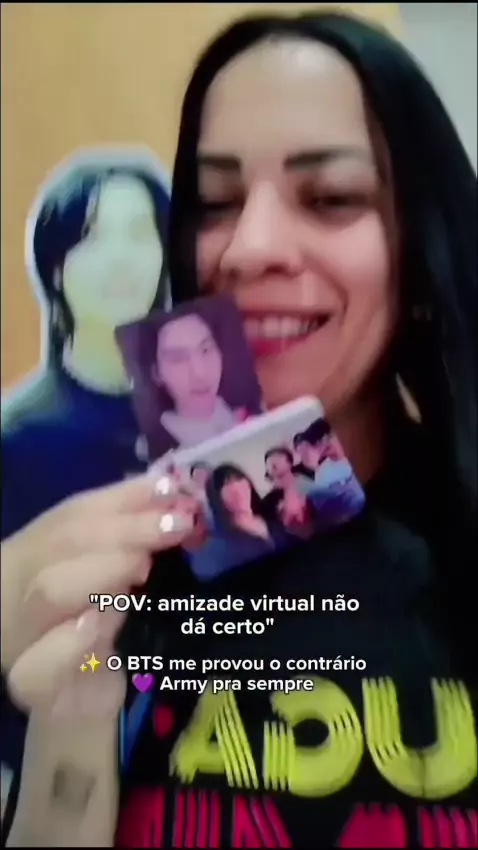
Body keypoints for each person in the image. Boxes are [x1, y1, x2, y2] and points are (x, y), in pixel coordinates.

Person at [2, 9, 477, 848]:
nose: (247, 248)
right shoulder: (122, 556)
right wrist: (71, 717)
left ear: (422, 243)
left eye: (329, 198)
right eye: (216, 202)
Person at [0, 156, 169, 796]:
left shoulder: (212, 415)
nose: (120, 259)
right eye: (93, 237)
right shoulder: (16, 439)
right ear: (55, 267)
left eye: (140, 233)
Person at [153, 313, 246, 446]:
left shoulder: (237, 414)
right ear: (156, 373)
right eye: (178, 358)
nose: (199, 373)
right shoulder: (160, 444)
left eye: (206, 350)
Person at [188, 463, 289, 579]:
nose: (235, 487)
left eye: (238, 479)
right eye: (226, 484)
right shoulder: (219, 544)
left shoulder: (272, 514)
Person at [262, 446, 315, 536]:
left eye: (278, 459)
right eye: (268, 462)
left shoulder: (308, 485)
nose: (272, 464)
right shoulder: (268, 501)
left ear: (289, 462)